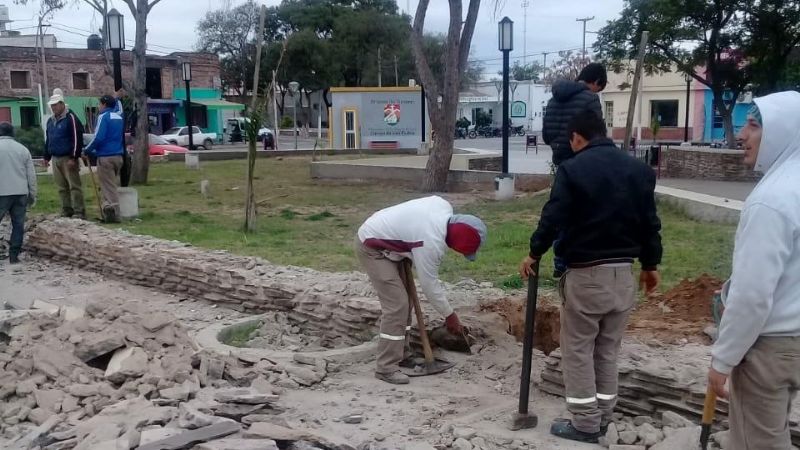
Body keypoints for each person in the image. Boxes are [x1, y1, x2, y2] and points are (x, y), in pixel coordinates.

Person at [519, 110, 661, 444]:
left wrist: (534, 252)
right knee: (608, 349)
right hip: (624, 274)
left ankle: (585, 424)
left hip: (586, 275)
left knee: (579, 350)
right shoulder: (639, 171)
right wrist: (650, 265)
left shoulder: (573, 169)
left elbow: (553, 217)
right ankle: (604, 415)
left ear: (576, 137)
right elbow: (649, 223)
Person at [707, 91, 800, 450]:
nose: (742, 135)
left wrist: (722, 359)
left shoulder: (771, 200)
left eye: (754, 125)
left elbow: (753, 296)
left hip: (769, 349)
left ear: (783, 132)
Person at [356, 196, 487, 385]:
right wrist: (450, 315)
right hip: (372, 246)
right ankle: (386, 367)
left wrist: (407, 240)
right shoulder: (429, 243)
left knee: (407, 303)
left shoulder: (443, 205)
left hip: (395, 241)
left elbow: (423, 209)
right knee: (397, 306)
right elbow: (429, 286)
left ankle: (402, 354)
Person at [542, 62, 607, 279]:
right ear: (596, 81)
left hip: (561, 161)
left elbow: (546, 135)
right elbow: (598, 133)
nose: (597, 92)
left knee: (562, 209)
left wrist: (559, 145)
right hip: (585, 162)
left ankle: (560, 264)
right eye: (599, 88)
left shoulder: (553, 100)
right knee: (585, 212)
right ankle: (582, 261)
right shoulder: (590, 99)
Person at [45, 90, 86, 219]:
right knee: (61, 187)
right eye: (52, 105)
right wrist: (46, 156)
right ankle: (66, 209)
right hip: (55, 157)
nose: (53, 107)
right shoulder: (50, 121)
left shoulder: (71, 118)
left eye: (55, 105)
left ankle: (79, 211)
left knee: (74, 185)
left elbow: (77, 137)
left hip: (67, 157)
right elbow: (49, 139)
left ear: (62, 104)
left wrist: (74, 157)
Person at [0, 123, 37, 264]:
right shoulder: (23, 149)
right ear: (12, 133)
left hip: (2, 191)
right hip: (20, 192)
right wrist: (32, 194)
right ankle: (14, 256)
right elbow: (31, 175)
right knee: (18, 225)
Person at [85, 95, 125, 223]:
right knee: (111, 185)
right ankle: (107, 209)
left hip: (105, 156)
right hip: (118, 155)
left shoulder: (103, 117)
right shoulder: (119, 117)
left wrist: (87, 150)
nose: (98, 106)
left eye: (99, 104)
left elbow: (98, 137)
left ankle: (115, 214)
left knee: (108, 187)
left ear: (104, 104)